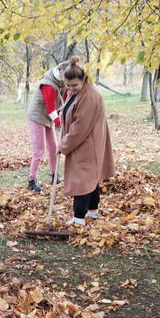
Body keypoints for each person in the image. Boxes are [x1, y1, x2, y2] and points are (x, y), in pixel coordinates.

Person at [58, 57, 115, 226]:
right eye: (67, 85)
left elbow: (80, 127)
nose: (70, 89)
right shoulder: (78, 91)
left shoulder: (90, 96)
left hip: (87, 142)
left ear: (84, 79)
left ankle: (79, 218)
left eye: (74, 85)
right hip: (83, 141)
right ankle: (92, 211)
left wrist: (63, 145)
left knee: (81, 178)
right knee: (90, 176)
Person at [26, 61, 68, 192]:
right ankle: (31, 180)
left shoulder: (62, 82)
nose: (67, 77)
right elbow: (51, 108)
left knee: (54, 147)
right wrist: (60, 125)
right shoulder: (48, 85)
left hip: (49, 116)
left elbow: (64, 100)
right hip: (37, 116)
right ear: (60, 70)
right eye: (65, 74)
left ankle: (55, 175)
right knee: (39, 149)